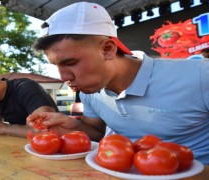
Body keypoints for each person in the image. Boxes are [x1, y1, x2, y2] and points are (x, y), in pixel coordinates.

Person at [26, 2, 209, 165]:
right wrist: (72, 126)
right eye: (56, 65)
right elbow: (96, 133)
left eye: (70, 63)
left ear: (107, 49)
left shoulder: (201, 75)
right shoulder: (91, 91)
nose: (64, 76)